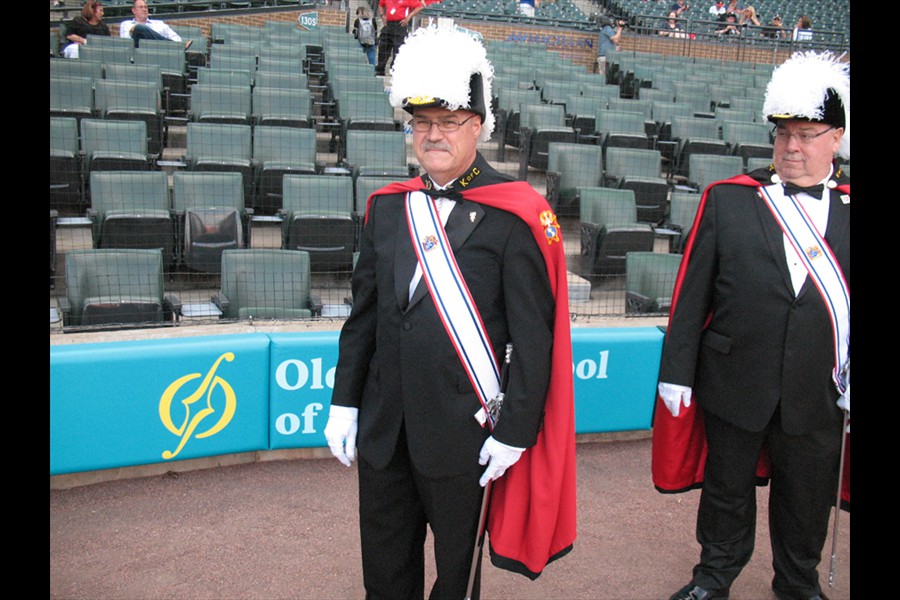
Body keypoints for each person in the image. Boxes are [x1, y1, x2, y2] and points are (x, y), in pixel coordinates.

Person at [323, 25, 576, 600]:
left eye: (449, 122)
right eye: (422, 123)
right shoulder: (388, 209)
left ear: (480, 125)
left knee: (456, 580)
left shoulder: (517, 217)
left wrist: (514, 433)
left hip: (467, 436)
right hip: (385, 429)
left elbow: (536, 341)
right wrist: (344, 400)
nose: (432, 135)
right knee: (384, 571)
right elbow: (364, 319)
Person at [652, 50, 850, 600]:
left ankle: (797, 581)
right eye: (783, 133)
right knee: (725, 491)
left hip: (818, 387)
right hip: (734, 378)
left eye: (807, 134)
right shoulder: (729, 200)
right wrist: (677, 373)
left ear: (836, 137)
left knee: (806, 497)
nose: (791, 146)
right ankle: (713, 576)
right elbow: (691, 296)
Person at [375, 0, 426, 76]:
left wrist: (409, 17)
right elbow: (380, 4)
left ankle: (394, 70)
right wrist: (382, 15)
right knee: (383, 46)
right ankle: (380, 69)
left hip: (400, 25)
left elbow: (420, 6)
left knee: (398, 50)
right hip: (389, 24)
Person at [119, 0, 190, 49]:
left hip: (158, 51)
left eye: (146, 7)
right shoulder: (126, 24)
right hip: (138, 51)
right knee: (139, 28)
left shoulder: (159, 23)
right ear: (133, 10)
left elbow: (176, 38)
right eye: (141, 7)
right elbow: (127, 43)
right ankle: (176, 47)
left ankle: (175, 46)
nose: (144, 9)